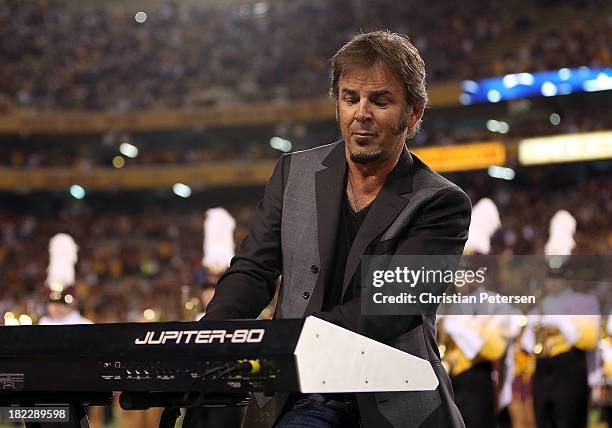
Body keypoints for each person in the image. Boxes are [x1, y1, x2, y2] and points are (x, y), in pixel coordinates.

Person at [201, 31, 471, 428]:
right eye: (350, 98)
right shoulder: (292, 173)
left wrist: (284, 342)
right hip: (295, 394)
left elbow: (387, 308)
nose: (361, 112)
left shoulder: (442, 203)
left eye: (380, 100)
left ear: (413, 113)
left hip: (389, 404)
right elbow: (253, 271)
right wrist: (206, 338)